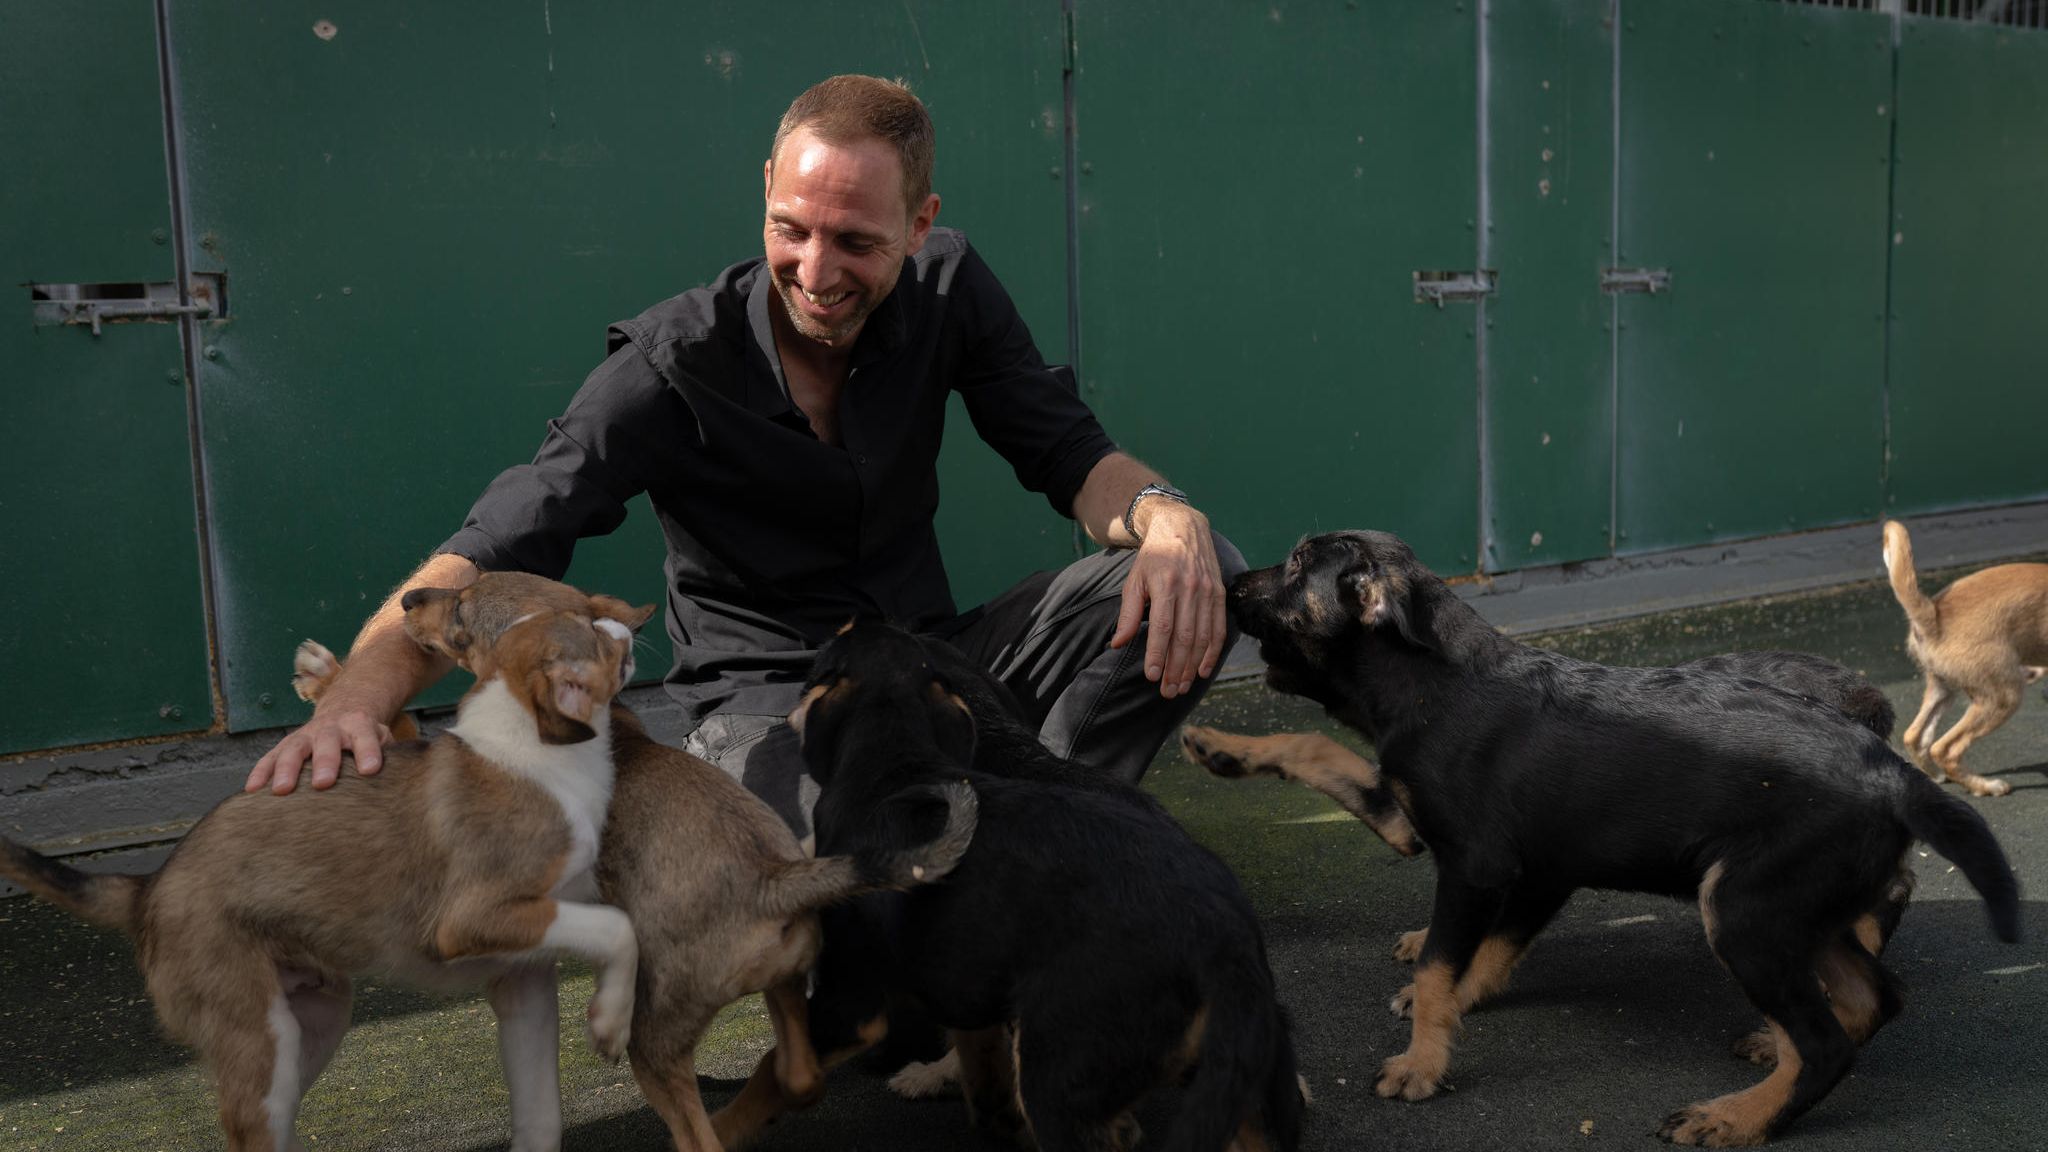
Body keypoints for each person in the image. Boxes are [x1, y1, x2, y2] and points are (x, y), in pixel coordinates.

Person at [249, 74, 1245, 834]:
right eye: (790, 229)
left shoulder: (950, 288)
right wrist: (351, 704)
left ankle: (1057, 829)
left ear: (919, 224)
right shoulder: (669, 367)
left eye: (855, 243)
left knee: (1193, 572)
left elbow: (1068, 452)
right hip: (770, 708)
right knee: (837, 866)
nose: (815, 270)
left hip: (932, 665)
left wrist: (1162, 513)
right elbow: (498, 542)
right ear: (766, 187)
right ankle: (987, 844)